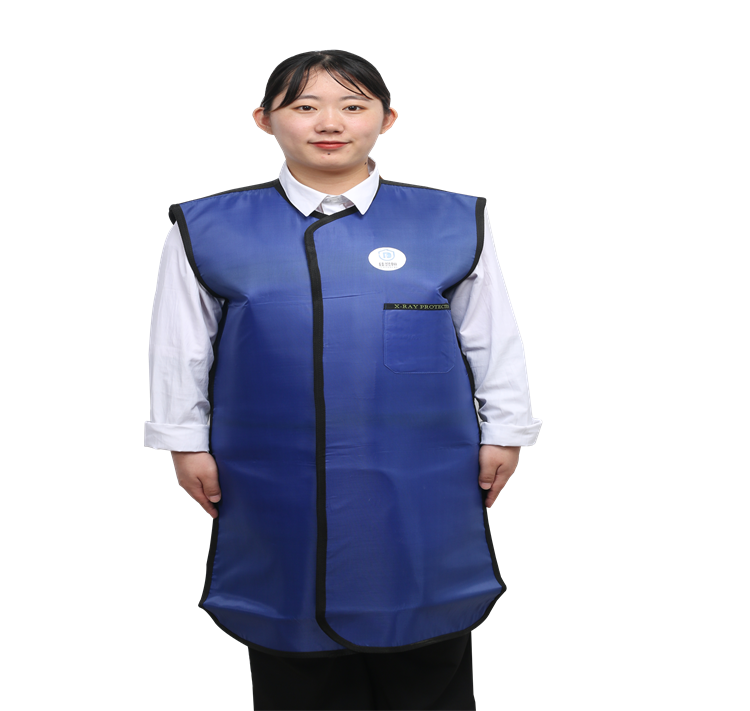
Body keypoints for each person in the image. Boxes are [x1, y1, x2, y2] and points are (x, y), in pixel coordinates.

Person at [145, 49, 542, 710]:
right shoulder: (206, 226)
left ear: (386, 119)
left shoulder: (453, 219)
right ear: (264, 120)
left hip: (426, 470)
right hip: (269, 469)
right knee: (292, 630)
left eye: (352, 106)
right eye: (305, 106)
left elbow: (492, 334)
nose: (329, 123)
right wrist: (184, 442)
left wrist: (507, 431)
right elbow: (179, 345)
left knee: (428, 643)